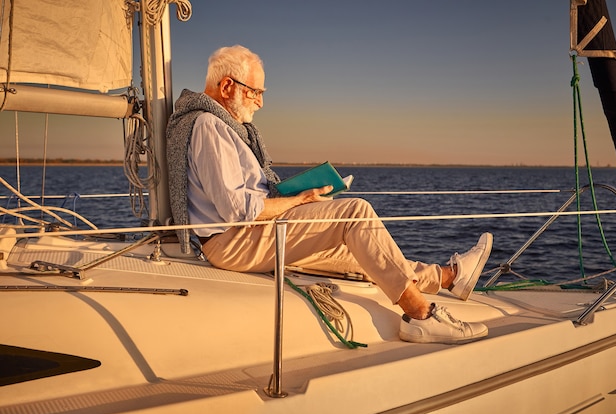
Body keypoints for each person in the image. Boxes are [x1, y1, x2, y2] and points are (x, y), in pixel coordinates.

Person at [166, 45, 493, 344]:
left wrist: (296, 195)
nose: (261, 102)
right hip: (234, 240)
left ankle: (450, 278)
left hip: (251, 234)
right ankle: (420, 315)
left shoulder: (225, 127)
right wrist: (299, 200)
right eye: (255, 92)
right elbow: (238, 209)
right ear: (227, 87)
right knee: (354, 213)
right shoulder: (209, 126)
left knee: (365, 252)